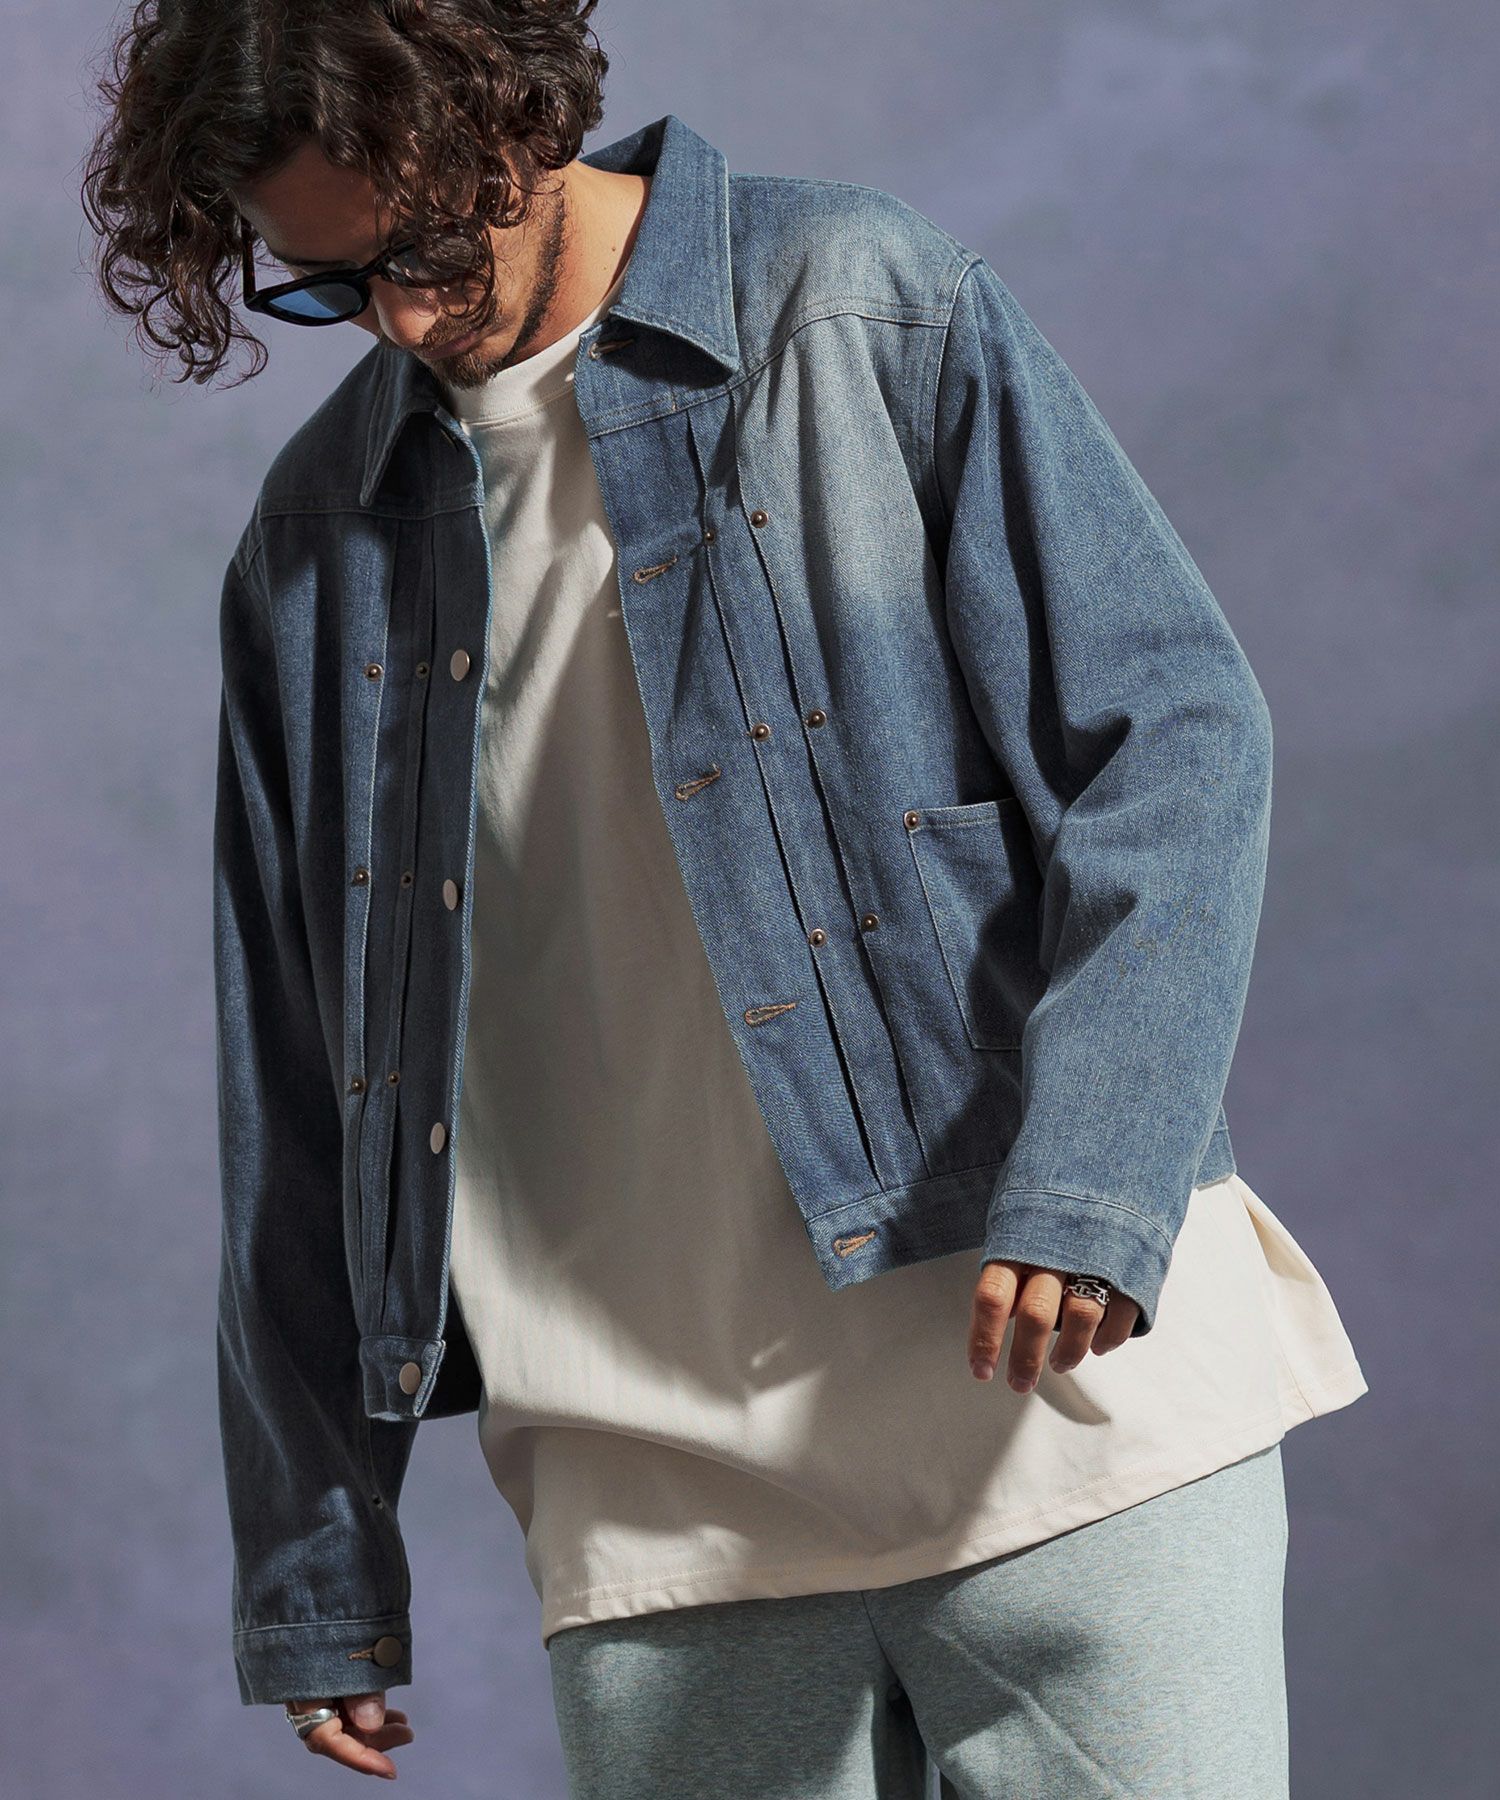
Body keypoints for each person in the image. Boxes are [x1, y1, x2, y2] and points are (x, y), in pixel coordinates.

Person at [81, 4, 1368, 1794]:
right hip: (655, 1510)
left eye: (429, 255)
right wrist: (316, 1560)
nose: (401, 324)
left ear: (519, 117)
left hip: (1070, 1424)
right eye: (327, 287)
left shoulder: (856, 304)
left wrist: (1098, 1177)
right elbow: (298, 1073)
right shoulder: (318, 545)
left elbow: (1175, 740)